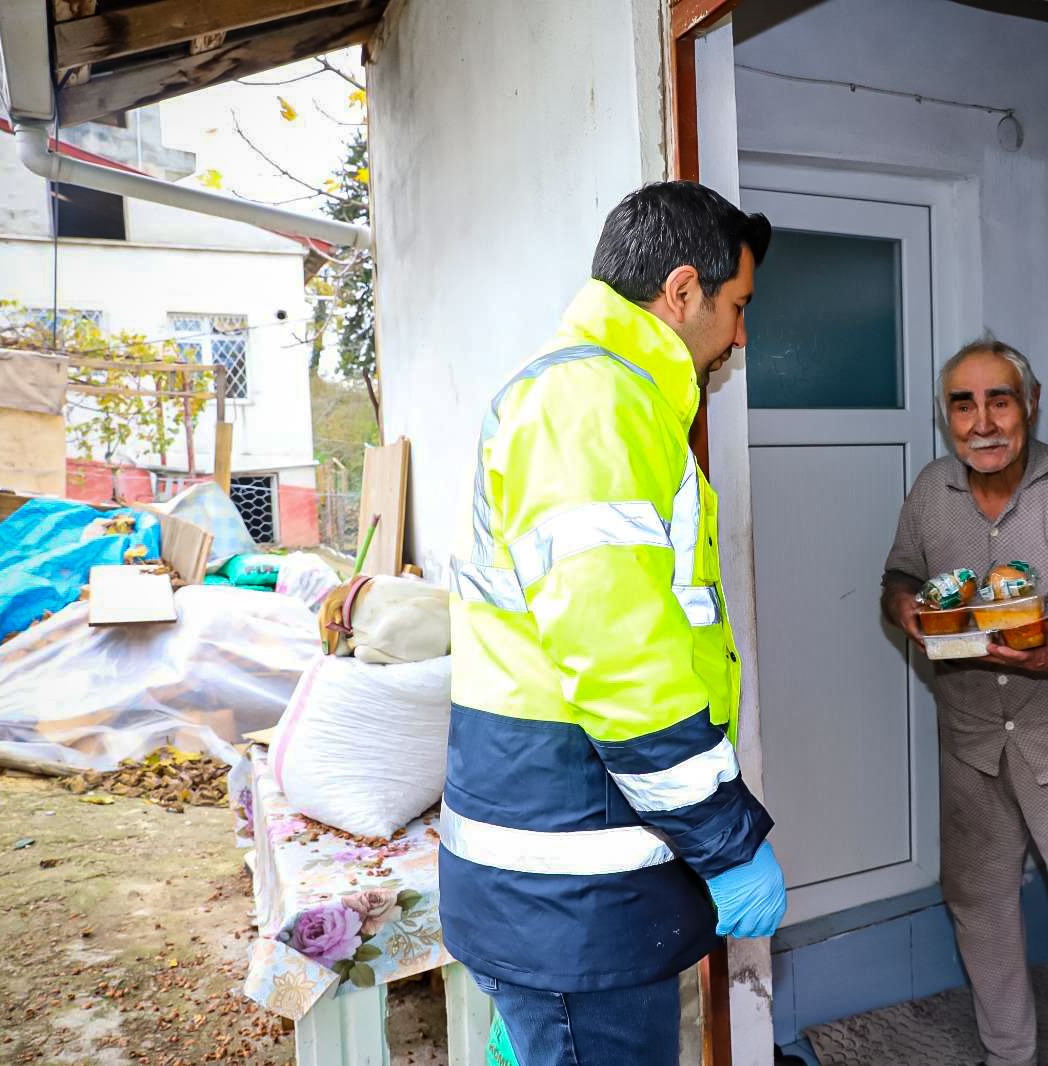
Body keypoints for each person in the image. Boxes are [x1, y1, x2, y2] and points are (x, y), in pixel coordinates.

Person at [442, 181, 788, 1066]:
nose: (739, 337)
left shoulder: (603, 400)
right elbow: (623, 656)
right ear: (681, 291)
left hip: (569, 876)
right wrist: (725, 838)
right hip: (570, 891)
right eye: (736, 307)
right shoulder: (596, 407)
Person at [880, 336, 1048, 1066]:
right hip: (971, 738)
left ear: (1031, 404)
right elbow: (900, 574)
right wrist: (905, 607)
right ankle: (1009, 1056)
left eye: (1000, 400)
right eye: (963, 405)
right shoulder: (930, 491)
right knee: (979, 904)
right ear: (946, 416)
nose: (983, 422)